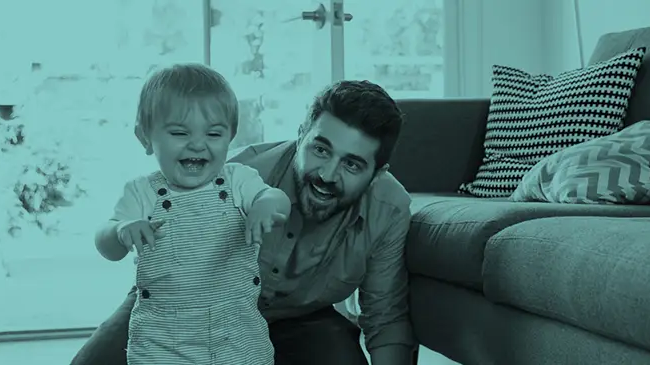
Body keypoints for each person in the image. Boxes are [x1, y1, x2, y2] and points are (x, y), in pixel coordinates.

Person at [71, 79, 416, 365]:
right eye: (320, 150)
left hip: (300, 318)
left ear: (377, 173)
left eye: (352, 165)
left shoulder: (388, 208)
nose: (326, 174)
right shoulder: (238, 173)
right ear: (301, 135)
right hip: (184, 306)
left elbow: (385, 316)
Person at [95, 63, 290, 364]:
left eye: (213, 134)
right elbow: (105, 243)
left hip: (237, 338)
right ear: (145, 137)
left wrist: (266, 203)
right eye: (179, 132)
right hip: (164, 344)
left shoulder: (239, 180)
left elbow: (277, 199)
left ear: (230, 136)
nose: (198, 144)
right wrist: (121, 231)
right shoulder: (142, 193)